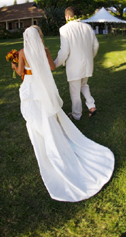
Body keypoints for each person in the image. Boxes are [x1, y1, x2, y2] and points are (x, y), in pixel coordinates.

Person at [12, 25, 114, 202]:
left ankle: (42, 132)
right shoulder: (44, 49)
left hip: (30, 85)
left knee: (35, 113)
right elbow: (51, 67)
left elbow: (21, 72)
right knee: (47, 111)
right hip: (41, 85)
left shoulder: (22, 52)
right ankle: (50, 129)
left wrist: (14, 66)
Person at [54, 7, 99, 121]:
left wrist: (55, 64)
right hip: (88, 64)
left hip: (74, 66)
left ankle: (76, 115)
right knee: (84, 85)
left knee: (75, 92)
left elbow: (64, 51)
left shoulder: (64, 29)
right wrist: (90, 57)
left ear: (67, 16)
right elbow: (96, 45)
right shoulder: (87, 27)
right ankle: (91, 106)